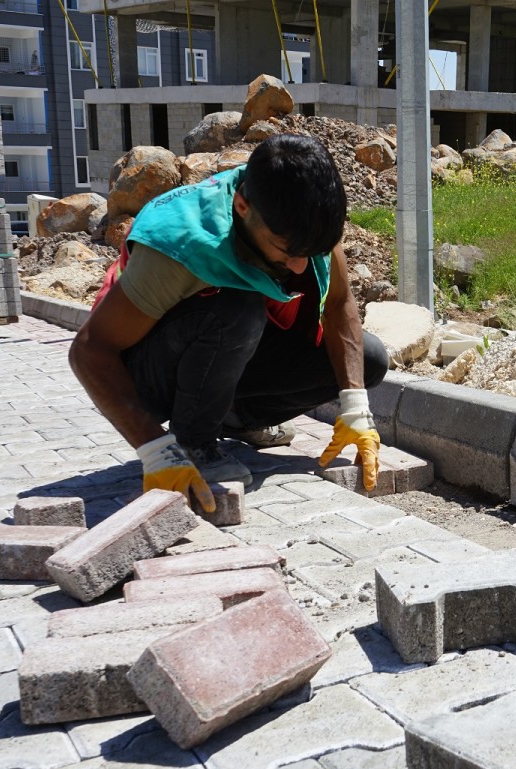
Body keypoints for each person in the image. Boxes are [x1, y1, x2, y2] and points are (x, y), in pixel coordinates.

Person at [68, 133, 388, 513]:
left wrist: (355, 407)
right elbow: (90, 350)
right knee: (238, 307)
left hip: (218, 352)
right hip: (145, 375)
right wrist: (156, 450)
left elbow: (338, 304)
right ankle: (193, 444)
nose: (301, 265)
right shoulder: (180, 243)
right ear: (241, 207)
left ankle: (233, 420)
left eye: (312, 252)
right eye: (287, 251)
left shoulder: (303, 219)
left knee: (368, 360)